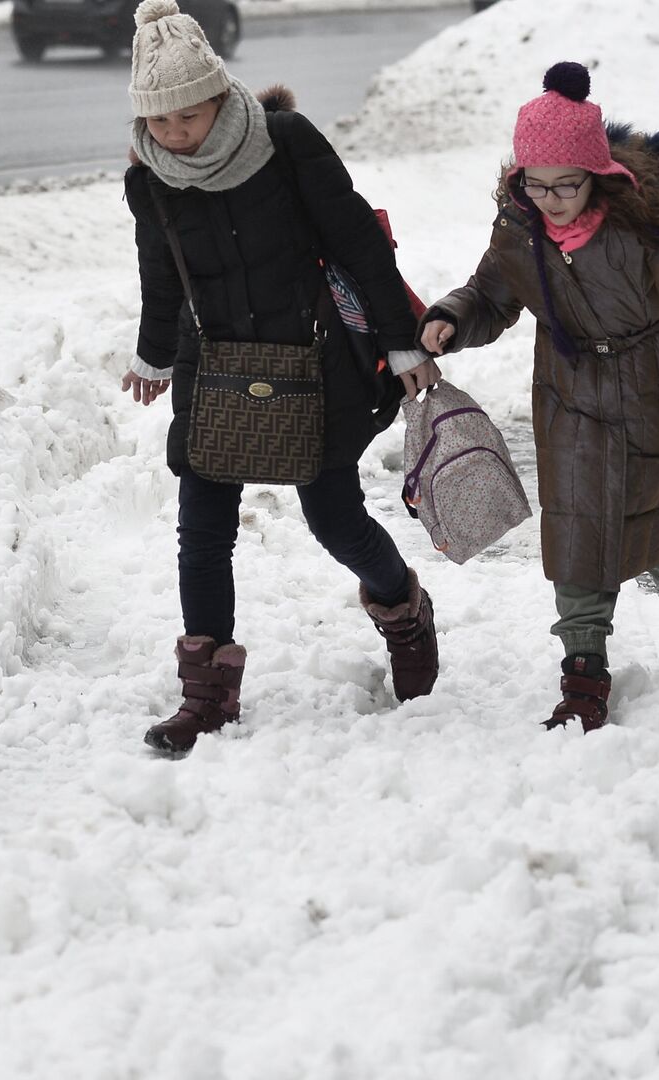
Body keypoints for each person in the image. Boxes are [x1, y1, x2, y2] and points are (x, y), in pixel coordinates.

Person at [120, 0, 438, 756]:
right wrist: (154, 354)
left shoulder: (285, 143)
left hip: (315, 365)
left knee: (333, 521)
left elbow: (360, 241)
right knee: (201, 533)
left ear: (220, 95)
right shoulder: (152, 178)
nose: (175, 135)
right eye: (159, 123)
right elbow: (161, 275)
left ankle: (402, 609)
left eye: (188, 117)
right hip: (216, 368)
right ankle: (206, 696)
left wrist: (400, 343)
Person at [405, 61, 659, 732]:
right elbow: (491, 295)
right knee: (578, 536)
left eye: (565, 184)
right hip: (572, 398)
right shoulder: (518, 230)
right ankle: (583, 676)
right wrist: (451, 317)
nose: (550, 197)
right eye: (535, 183)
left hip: (655, 389)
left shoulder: (641, 228)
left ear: (598, 177)